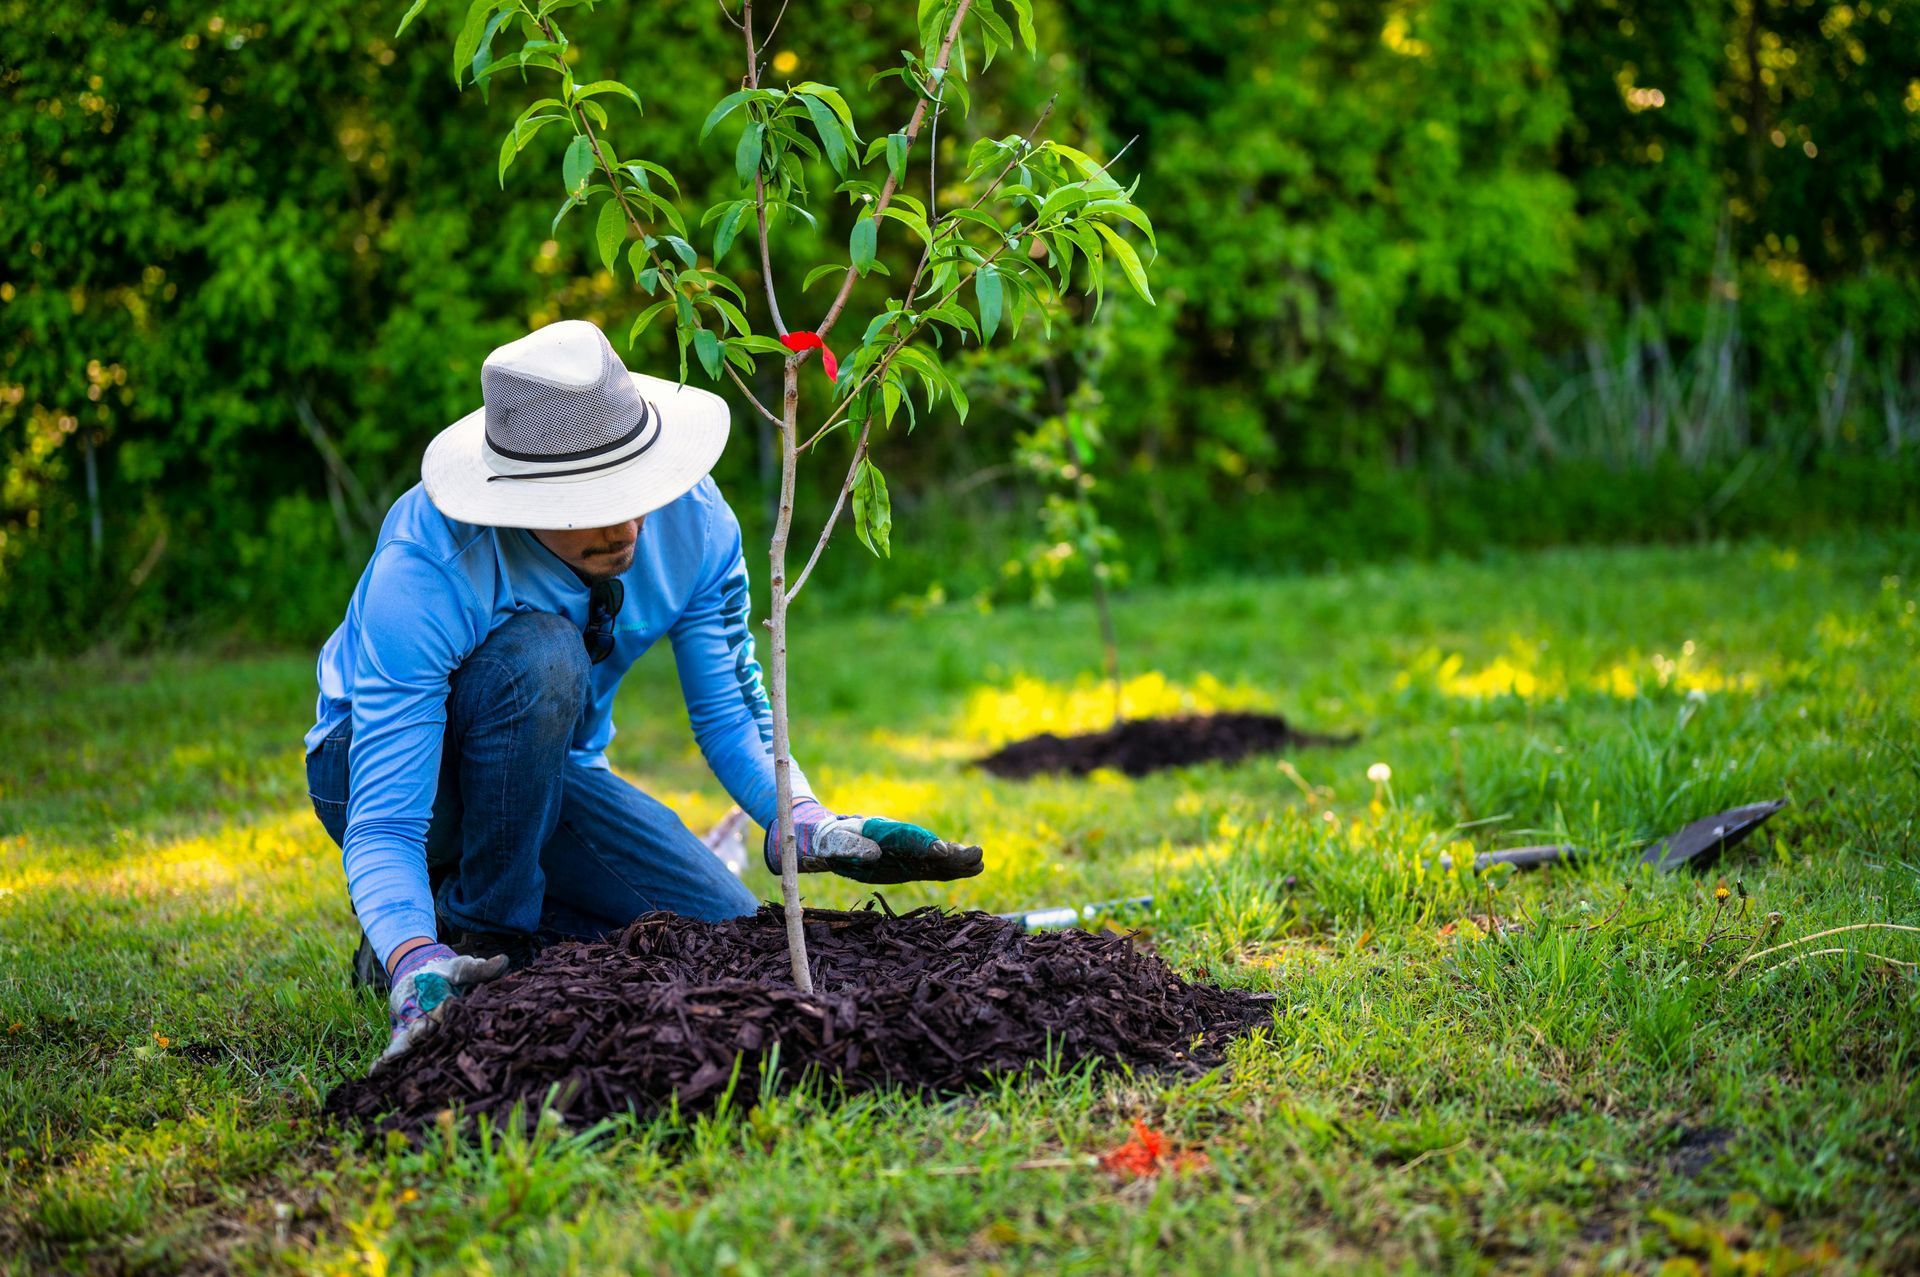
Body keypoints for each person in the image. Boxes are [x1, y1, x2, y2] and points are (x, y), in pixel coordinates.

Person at [304, 319, 983, 1063]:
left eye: (635, 486)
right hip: (379, 771)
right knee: (543, 654)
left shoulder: (693, 522)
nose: (627, 522)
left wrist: (803, 820)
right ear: (519, 499)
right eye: (588, 499)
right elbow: (386, 821)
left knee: (720, 929)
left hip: (548, 774)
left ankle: (451, 922)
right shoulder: (431, 566)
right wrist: (412, 958)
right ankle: (459, 941)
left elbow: (731, 709)